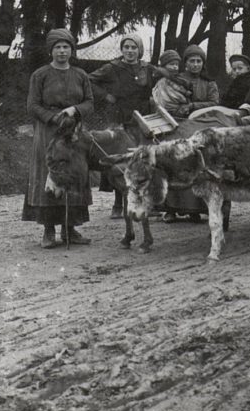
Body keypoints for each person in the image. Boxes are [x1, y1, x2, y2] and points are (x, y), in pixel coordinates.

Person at [22, 29, 95, 248]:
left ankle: (70, 230)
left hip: (74, 132)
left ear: (72, 50)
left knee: (74, 174)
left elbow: (90, 103)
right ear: (51, 51)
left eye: (66, 47)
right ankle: (48, 231)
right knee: (50, 174)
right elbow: (32, 105)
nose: (62, 51)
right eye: (57, 47)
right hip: (48, 132)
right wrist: (52, 117)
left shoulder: (81, 75)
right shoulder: (40, 75)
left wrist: (75, 109)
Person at [89, 33, 165, 218]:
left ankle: (145, 203)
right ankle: (118, 205)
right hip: (119, 116)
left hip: (142, 118)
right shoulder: (112, 68)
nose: (130, 51)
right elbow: (88, 80)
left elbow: (166, 78)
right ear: (122, 49)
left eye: (134, 48)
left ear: (140, 50)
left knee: (143, 159)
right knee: (120, 159)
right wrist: (105, 95)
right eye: (126, 47)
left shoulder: (147, 69)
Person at [151, 49, 194, 118]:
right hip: (168, 111)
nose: (175, 66)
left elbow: (179, 88)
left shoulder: (177, 79)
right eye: (172, 64)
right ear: (164, 65)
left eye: (176, 64)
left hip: (179, 111)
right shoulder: (163, 81)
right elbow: (167, 97)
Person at [180, 45, 220, 114]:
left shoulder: (209, 82)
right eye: (192, 61)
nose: (195, 65)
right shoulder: (178, 79)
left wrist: (193, 106)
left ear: (203, 63)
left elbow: (214, 103)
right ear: (186, 63)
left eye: (198, 61)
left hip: (203, 117)